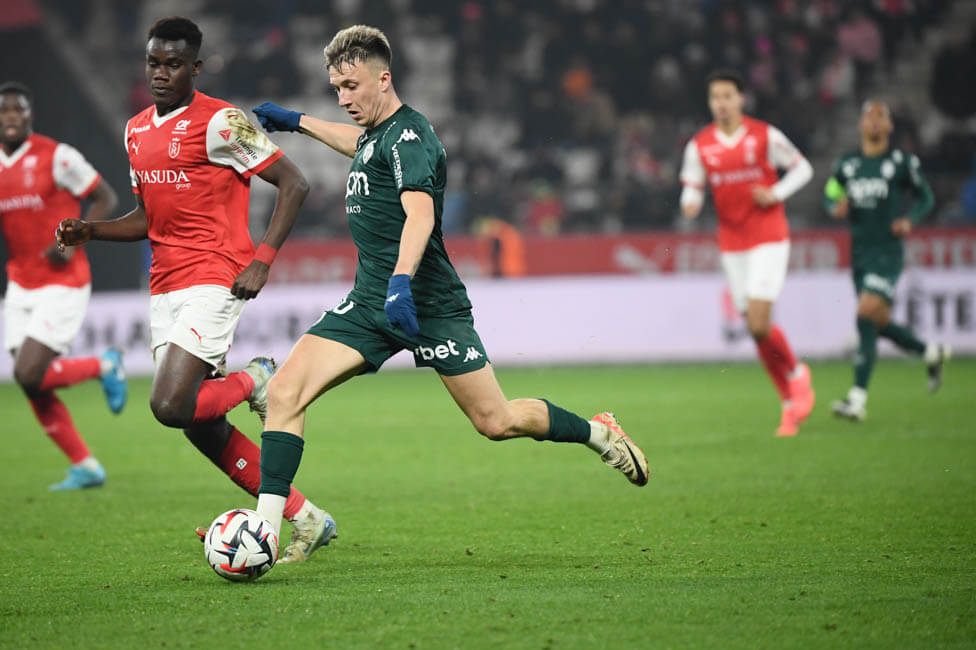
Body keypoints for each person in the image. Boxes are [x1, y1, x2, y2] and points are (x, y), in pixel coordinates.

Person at [249, 24, 649, 541]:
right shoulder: (376, 135)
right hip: (370, 303)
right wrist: (298, 122)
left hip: (428, 304)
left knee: (496, 421)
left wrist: (400, 282)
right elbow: (360, 145)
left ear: (383, 79)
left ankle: (599, 433)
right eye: (336, 89)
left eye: (351, 86)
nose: (343, 98)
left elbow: (420, 217)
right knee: (285, 392)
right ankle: (266, 530)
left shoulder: (412, 137)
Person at [56, 17, 336, 563]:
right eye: (153, 63)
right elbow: (147, 217)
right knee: (199, 427)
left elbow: (294, 183)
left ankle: (256, 379)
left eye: (173, 64)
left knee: (169, 404)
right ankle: (306, 517)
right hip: (165, 287)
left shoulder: (223, 122)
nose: (161, 74)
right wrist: (92, 230)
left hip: (216, 275)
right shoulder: (136, 130)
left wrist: (262, 259)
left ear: (196, 68)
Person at [0, 81, 127, 490]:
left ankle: (104, 366)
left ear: (29, 116)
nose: (10, 117)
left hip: (64, 282)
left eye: (17, 110)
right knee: (31, 382)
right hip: (20, 284)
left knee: (28, 372)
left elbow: (106, 198)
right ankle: (85, 465)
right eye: (3, 111)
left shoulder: (57, 156)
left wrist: (75, 239)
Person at [679, 69, 816, 437]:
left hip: (768, 235)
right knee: (757, 332)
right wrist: (690, 203)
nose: (721, 103)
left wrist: (776, 193)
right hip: (732, 242)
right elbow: (692, 187)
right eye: (715, 97)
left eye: (727, 96)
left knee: (757, 322)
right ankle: (788, 403)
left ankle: (797, 373)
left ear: (741, 98)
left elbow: (803, 169)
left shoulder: (764, 135)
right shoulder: (700, 146)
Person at [824, 101, 948, 421]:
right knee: (873, 322)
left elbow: (926, 197)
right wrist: (834, 205)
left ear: (890, 126)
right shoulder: (847, 165)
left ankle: (857, 399)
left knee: (865, 312)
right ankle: (931, 352)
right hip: (860, 253)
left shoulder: (902, 163)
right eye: (870, 117)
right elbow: (830, 193)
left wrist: (910, 219)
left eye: (881, 117)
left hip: (888, 252)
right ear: (861, 124)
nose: (875, 122)